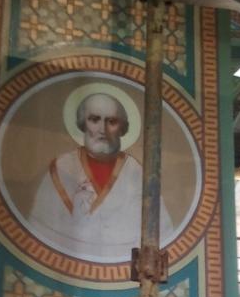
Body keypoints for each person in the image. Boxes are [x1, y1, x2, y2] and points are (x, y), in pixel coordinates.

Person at [28, 92, 173, 261]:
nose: (103, 129)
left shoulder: (137, 173)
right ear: (83, 123)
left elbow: (162, 234)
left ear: (122, 128)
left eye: (111, 121)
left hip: (121, 265)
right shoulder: (61, 169)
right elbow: (40, 231)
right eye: (94, 119)